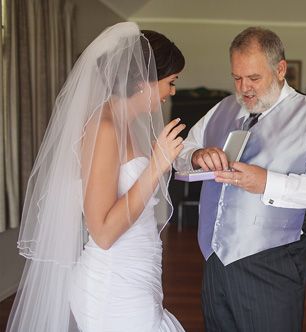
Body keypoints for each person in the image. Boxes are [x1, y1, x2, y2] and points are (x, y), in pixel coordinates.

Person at [171, 27, 306, 331]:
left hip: (274, 264)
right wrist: (196, 155)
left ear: (280, 69)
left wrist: (269, 182)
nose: (244, 88)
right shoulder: (222, 109)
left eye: (254, 78)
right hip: (215, 261)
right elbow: (181, 151)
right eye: (237, 78)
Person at [6, 22, 186, 331]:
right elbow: (102, 231)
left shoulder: (124, 124)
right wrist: (156, 166)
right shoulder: (104, 128)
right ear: (144, 81)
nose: (171, 91)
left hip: (136, 275)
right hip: (114, 286)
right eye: (170, 81)